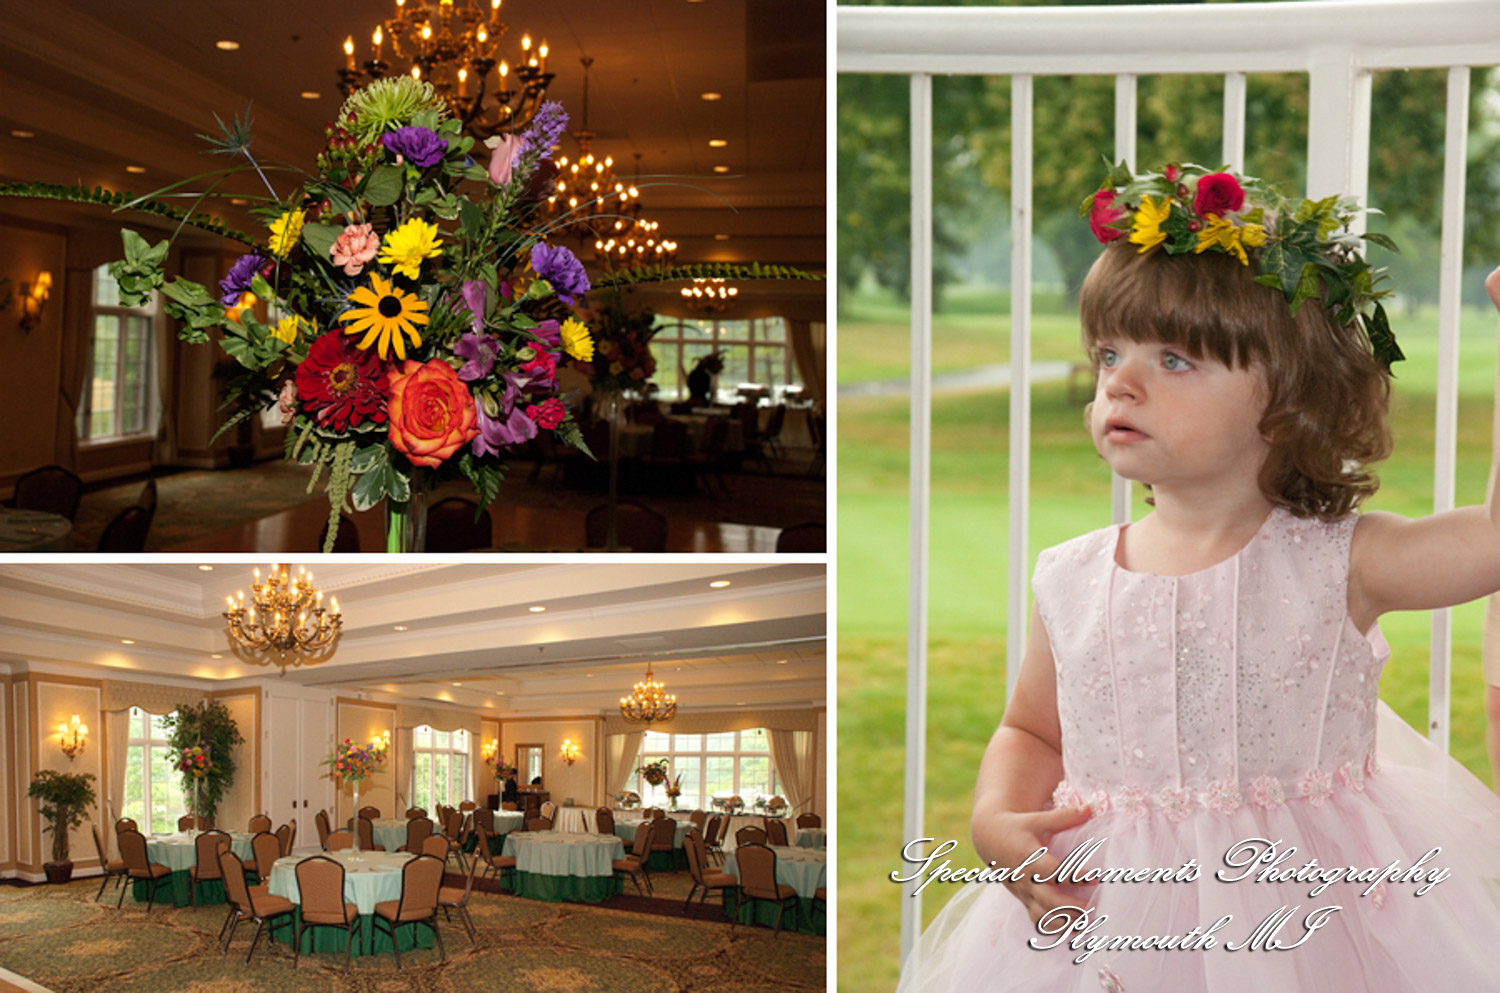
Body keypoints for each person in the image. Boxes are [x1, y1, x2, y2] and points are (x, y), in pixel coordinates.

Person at [898, 164, 1500, 992]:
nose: (1120, 380)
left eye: (1174, 359)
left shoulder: (1343, 559)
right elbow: (1032, 729)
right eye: (1111, 352)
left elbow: (1494, 540)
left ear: (1287, 395)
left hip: (1309, 918)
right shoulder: (1071, 576)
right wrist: (996, 816)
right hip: (1102, 908)